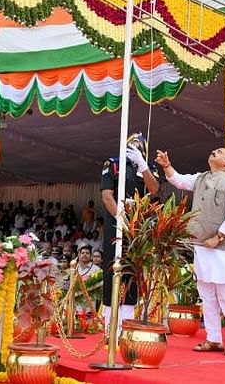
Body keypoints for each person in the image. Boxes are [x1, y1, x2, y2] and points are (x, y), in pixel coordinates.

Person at [155, 146, 225, 358]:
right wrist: (167, 166)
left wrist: (218, 237)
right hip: (202, 245)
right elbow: (178, 180)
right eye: (213, 150)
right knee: (207, 294)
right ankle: (214, 339)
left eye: (220, 152)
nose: (214, 151)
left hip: (223, 247)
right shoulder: (200, 178)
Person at [100, 132, 161, 330]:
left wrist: (142, 166)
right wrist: (121, 218)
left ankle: (126, 323)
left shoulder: (148, 168)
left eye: (139, 144)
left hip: (138, 228)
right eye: (131, 143)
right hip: (115, 224)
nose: (135, 146)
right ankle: (109, 323)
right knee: (112, 268)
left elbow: (154, 190)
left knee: (133, 271)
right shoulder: (113, 164)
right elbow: (107, 196)